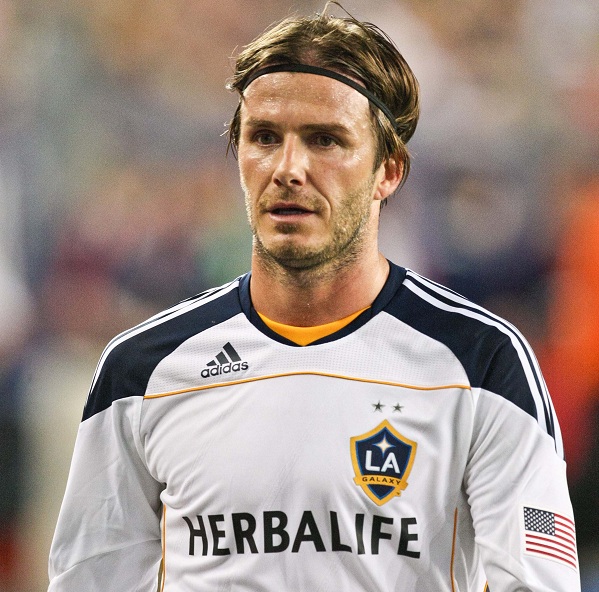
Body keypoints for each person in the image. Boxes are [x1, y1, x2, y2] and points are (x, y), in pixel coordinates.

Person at [47, 5, 580, 591]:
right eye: (264, 138)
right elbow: (89, 580)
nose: (288, 169)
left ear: (389, 170)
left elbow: (537, 581)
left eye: (325, 140)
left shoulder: (482, 363)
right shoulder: (141, 370)